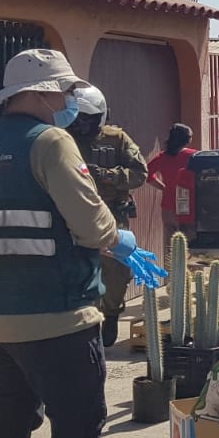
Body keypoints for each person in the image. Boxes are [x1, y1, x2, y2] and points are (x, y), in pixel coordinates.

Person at [0, 49, 167, 438]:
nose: (67, 102)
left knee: (7, 435)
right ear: (36, 93)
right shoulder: (50, 141)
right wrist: (120, 237)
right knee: (78, 433)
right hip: (56, 316)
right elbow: (90, 223)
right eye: (61, 92)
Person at [67, 86, 149, 347]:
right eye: (78, 118)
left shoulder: (117, 139)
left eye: (87, 119)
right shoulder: (62, 139)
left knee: (114, 272)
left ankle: (111, 314)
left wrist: (106, 175)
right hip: (74, 214)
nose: (81, 124)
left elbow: (140, 173)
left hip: (112, 215)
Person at [146, 124, 196, 236]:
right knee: (189, 243)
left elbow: (146, 174)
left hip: (168, 205)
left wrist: (163, 187)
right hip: (189, 205)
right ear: (188, 139)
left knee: (170, 245)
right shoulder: (194, 156)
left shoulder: (162, 157)